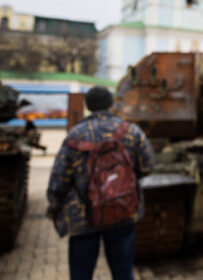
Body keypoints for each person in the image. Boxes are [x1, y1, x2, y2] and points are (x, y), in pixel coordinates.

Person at [46, 86, 154, 280]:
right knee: (123, 273)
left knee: (81, 274)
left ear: (88, 106)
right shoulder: (131, 132)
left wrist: (55, 206)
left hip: (83, 216)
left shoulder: (75, 135)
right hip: (122, 210)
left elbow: (59, 179)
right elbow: (148, 165)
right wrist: (122, 182)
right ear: (112, 105)